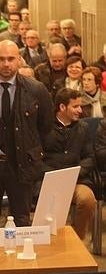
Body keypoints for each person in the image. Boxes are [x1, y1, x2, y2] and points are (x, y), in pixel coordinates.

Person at [0, 40, 53, 228]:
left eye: (11, 59)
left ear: (19, 60)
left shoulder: (36, 89)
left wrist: (34, 155)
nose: (6, 64)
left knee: (22, 219)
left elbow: (45, 127)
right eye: (2, 59)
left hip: (21, 164)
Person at [42, 88, 96, 240]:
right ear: (62, 107)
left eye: (80, 106)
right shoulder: (44, 128)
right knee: (52, 204)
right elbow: (35, 158)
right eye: (75, 106)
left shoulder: (83, 128)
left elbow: (90, 157)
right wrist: (52, 175)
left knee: (87, 199)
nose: (80, 110)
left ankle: (77, 240)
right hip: (48, 180)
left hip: (76, 180)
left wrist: (74, 174)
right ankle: (51, 243)